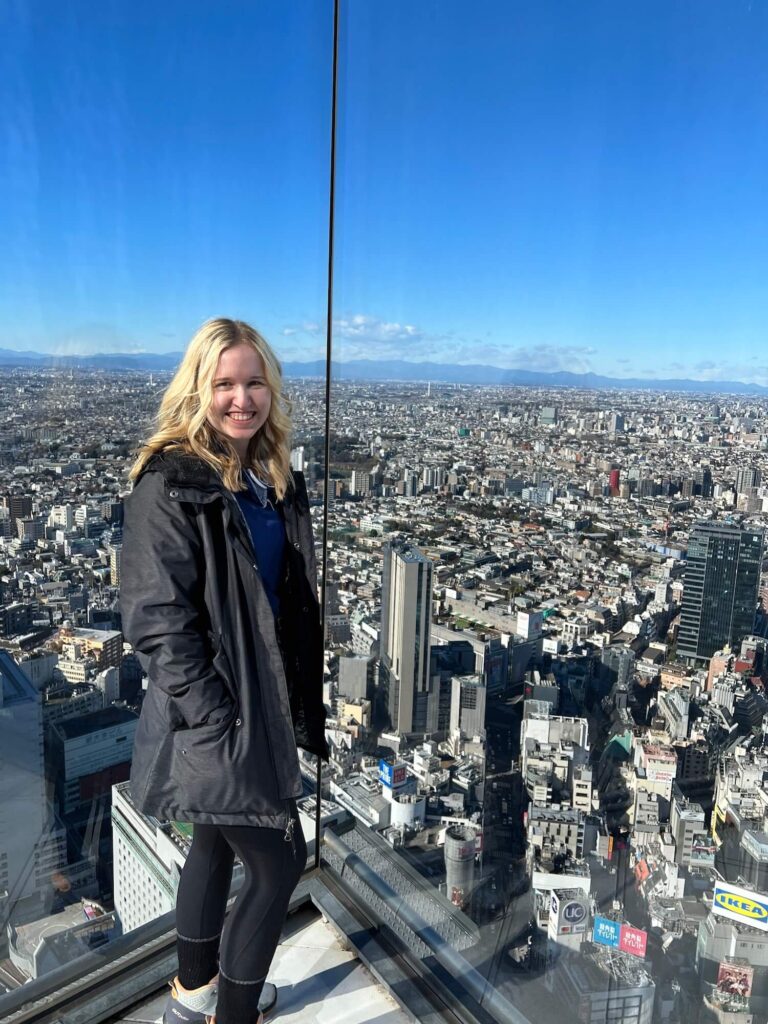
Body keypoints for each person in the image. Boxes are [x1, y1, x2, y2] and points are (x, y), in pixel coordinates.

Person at [120, 318, 328, 1024]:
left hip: (245, 705)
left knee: (212, 838)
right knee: (277, 865)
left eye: (253, 382)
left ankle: (192, 996)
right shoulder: (173, 483)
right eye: (225, 384)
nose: (242, 398)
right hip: (217, 716)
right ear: (198, 389)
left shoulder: (266, 478)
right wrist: (215, 712)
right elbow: (155, 619)